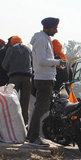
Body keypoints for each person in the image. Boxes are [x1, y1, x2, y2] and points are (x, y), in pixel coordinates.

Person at [28, 17, 66, 146]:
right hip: (43, 78)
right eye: (55, 28)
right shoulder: (41, 40)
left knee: (42, 107)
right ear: (49, 28)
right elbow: (41, 60)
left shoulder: (45, 39)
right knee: (40, 108)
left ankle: (32, 135)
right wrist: (57, 62)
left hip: (46, 77)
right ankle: (33, 137)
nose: (56, 31)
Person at [2, 36, 33, 125]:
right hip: (27, 77)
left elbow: (4, 65)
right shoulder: (28, 49)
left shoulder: (11, 50)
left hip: (14, 77)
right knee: (25, 102)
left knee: (12, 100)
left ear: (12, 43)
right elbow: (32, 63)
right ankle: (24, 123)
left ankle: (12, 122)